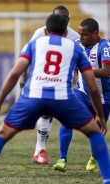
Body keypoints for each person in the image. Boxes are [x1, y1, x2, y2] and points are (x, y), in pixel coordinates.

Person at [0, 14, 110, 184]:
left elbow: (14, 73)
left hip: (33, 97)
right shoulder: (74, 47)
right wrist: (100, 116)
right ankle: (107, 180)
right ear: (66, 31)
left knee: (2, 133)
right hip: (62, 98)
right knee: (95, 133)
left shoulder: (34, 44)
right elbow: (92, 86)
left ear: (46, 31)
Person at [24, 5, 80, 164]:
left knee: (66, 118)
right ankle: (39, 150)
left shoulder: (74, 37)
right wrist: (24, 79)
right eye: (57, 16)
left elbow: (78, 62)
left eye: (64, 17)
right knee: (45, 112)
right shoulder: (41, 32)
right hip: (42, 79)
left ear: (68, 19)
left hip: (63, 82)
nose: (60, 20)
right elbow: (27, 55)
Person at [53, 18, 110, 172]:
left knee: (98, 131)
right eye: (79, 33)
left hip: (103, 97)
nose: (81, 37)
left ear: (95, 33)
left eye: (84, 34)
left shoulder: (104, 47)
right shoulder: (77, 45)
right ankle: (62, 159)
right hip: (82, 92)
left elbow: (106, 71)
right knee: (67, 117)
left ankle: (94, 157)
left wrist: (87, 72)